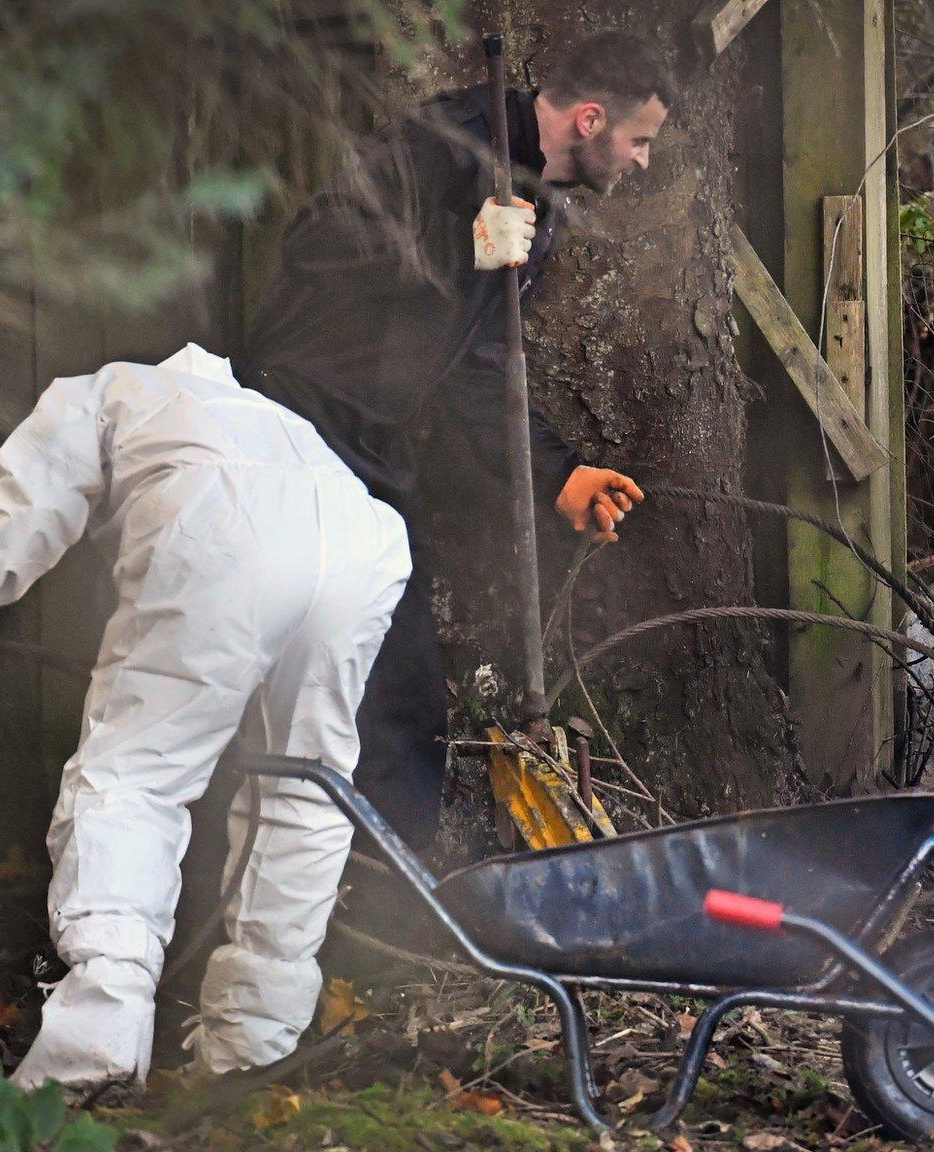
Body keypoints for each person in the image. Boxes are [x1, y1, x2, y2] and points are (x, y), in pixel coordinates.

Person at [240, 32, 666, 847]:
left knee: (399, 670)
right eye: (640, 141)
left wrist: (560, 474)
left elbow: (477, 364)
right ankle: (351, 879)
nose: (643, 161)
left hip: (377, 445)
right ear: (589, 120)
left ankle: (389, 886)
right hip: (296, 420)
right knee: (330, 657)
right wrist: (459, 246)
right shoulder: (442, 141)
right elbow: (318, 242)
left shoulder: (537, 213)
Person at [0, 345, 410, 1090]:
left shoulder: (108, 389)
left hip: (223, 523)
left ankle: (96, 1046)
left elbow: (13, 524)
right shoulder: (270, 415)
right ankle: (254, 1050)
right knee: (304, 789)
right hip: (363, 536)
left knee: (134, 777)